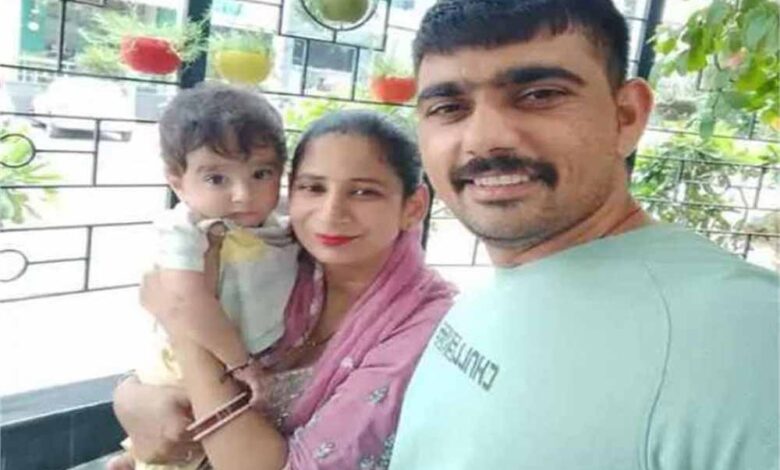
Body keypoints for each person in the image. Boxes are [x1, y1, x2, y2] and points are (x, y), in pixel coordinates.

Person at [386, 0, 779, 469]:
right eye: (448, 108)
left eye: (539, 95)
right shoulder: (506, 279)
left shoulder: (742, 335)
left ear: (626, 116)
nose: (484, 139)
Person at [112, 110, 456, 470]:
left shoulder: (425, 326)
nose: (331, 212)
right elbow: (162, 367)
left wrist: (185, 331)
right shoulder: (273, 255)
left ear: (413, 207)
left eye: (363, 192)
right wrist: (130, 397)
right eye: (313, 187)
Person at [112, 83, 300, 470]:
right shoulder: (187, 230)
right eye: (217, 179)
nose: (243, 194)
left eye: (261, 173)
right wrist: (239, 363)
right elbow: (186, 302)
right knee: (185, 435)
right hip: (191, 360)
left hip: (247, 360)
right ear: (177, 182)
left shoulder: (278, 220)